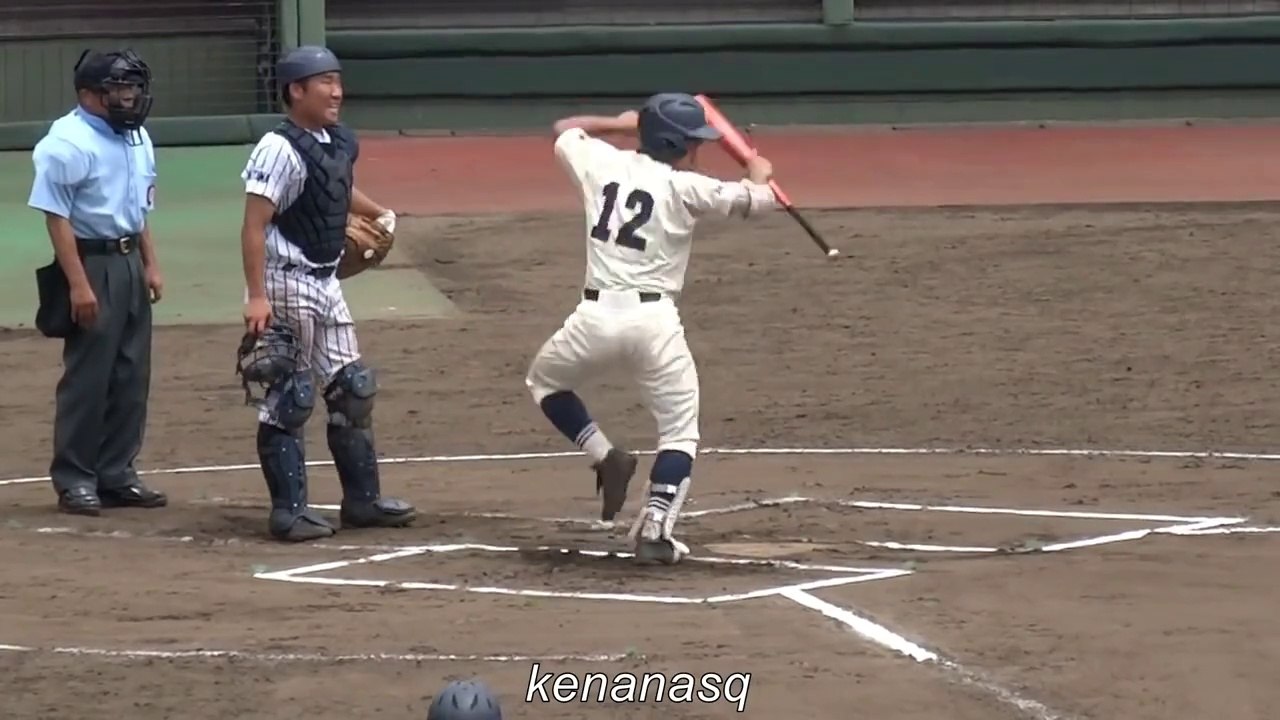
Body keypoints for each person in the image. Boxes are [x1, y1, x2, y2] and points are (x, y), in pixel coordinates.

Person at [524, 92, 777, 564]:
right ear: (679, 145)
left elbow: (564, 128)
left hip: (593, 318)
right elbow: (760, 203)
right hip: (654, 324)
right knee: (679, 433)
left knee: (545, 382)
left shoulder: (598, 161)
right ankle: (656, 528)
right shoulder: (687, 187)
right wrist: (759, 175)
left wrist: (619, 125)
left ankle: (603, 453)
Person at [236, 45, 415, 542]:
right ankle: (288, 512)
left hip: (324, 278)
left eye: (338, 80)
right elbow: (254, 226)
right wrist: (256, 296)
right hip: (284, 279)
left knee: (352, 388)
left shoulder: (335, 141)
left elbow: (336, 188)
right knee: (290, 396)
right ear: (297, 90)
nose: (337, 91)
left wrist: (379, 212)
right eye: (324, 82)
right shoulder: (277, 148)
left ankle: (362, 502)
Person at [28, 49, 166, 516]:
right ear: (89, 94)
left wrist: (151, 263)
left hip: (128, 260)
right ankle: (74, 479)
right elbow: (57, 217)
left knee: (131, 373)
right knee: (89, 377)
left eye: (132, 88)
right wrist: (79, 285)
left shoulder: (136, 136)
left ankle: (117, 473)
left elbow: (140, 209)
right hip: (91, 262)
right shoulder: (65, 142)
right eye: (118, 89)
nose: (129, 97)